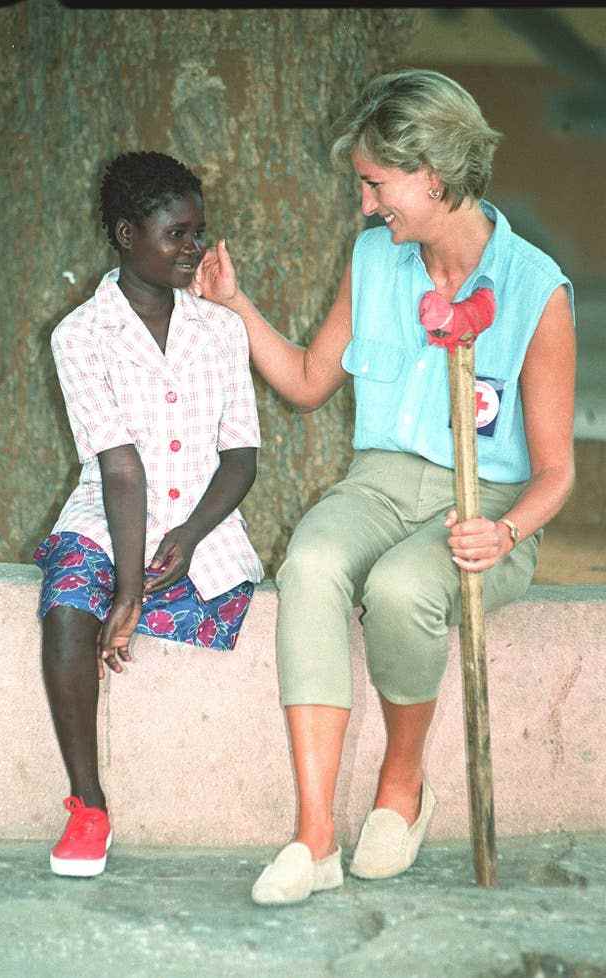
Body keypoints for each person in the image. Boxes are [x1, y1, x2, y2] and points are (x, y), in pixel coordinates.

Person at [193, 69, 576, 905]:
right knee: (313, 561)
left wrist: (504, 534)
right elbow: (304, 380)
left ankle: (402, 789)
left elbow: (557, 473)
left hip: (490, 506)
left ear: (433, 176)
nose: (366, 206)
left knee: (405, 587)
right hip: (379, 482)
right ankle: (314, 838)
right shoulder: (374, 258)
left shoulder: (535, 290)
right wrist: (235, 305)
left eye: (376, 184)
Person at [33, 151, 263, 877]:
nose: (195, 247)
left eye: (199, 231)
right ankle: (88, 806)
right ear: (128, 235)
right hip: (109, 513)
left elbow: (241, 457)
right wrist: (126, 588)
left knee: (204, 600)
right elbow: (120, 470)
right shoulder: (80, 337)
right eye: (177, 234)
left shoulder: (221, 331)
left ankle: (147, 587)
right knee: (71, 604)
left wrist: (191, 536)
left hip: (199, 522)